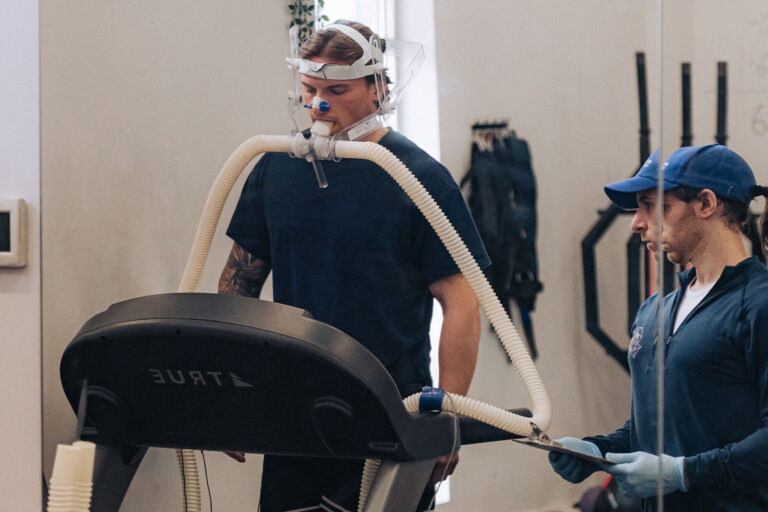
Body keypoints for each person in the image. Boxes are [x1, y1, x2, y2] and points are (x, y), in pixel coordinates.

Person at [218, 20, 490, 512]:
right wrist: (233, 400)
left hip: (391, 412)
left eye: (337, 91)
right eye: (310, 90)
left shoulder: (418, 177)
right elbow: (239, 284)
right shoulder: (274, 166)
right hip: (295, 410)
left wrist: (448, 414)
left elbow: (463, 302)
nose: (319, 105)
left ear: (376, 88)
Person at [549, 144, 768, 511]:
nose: (637, 222)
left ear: (705, 204)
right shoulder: (655, 310)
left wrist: (685, 473)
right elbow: (663, 426)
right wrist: (600, 449)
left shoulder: (758, 304)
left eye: (653, 206)